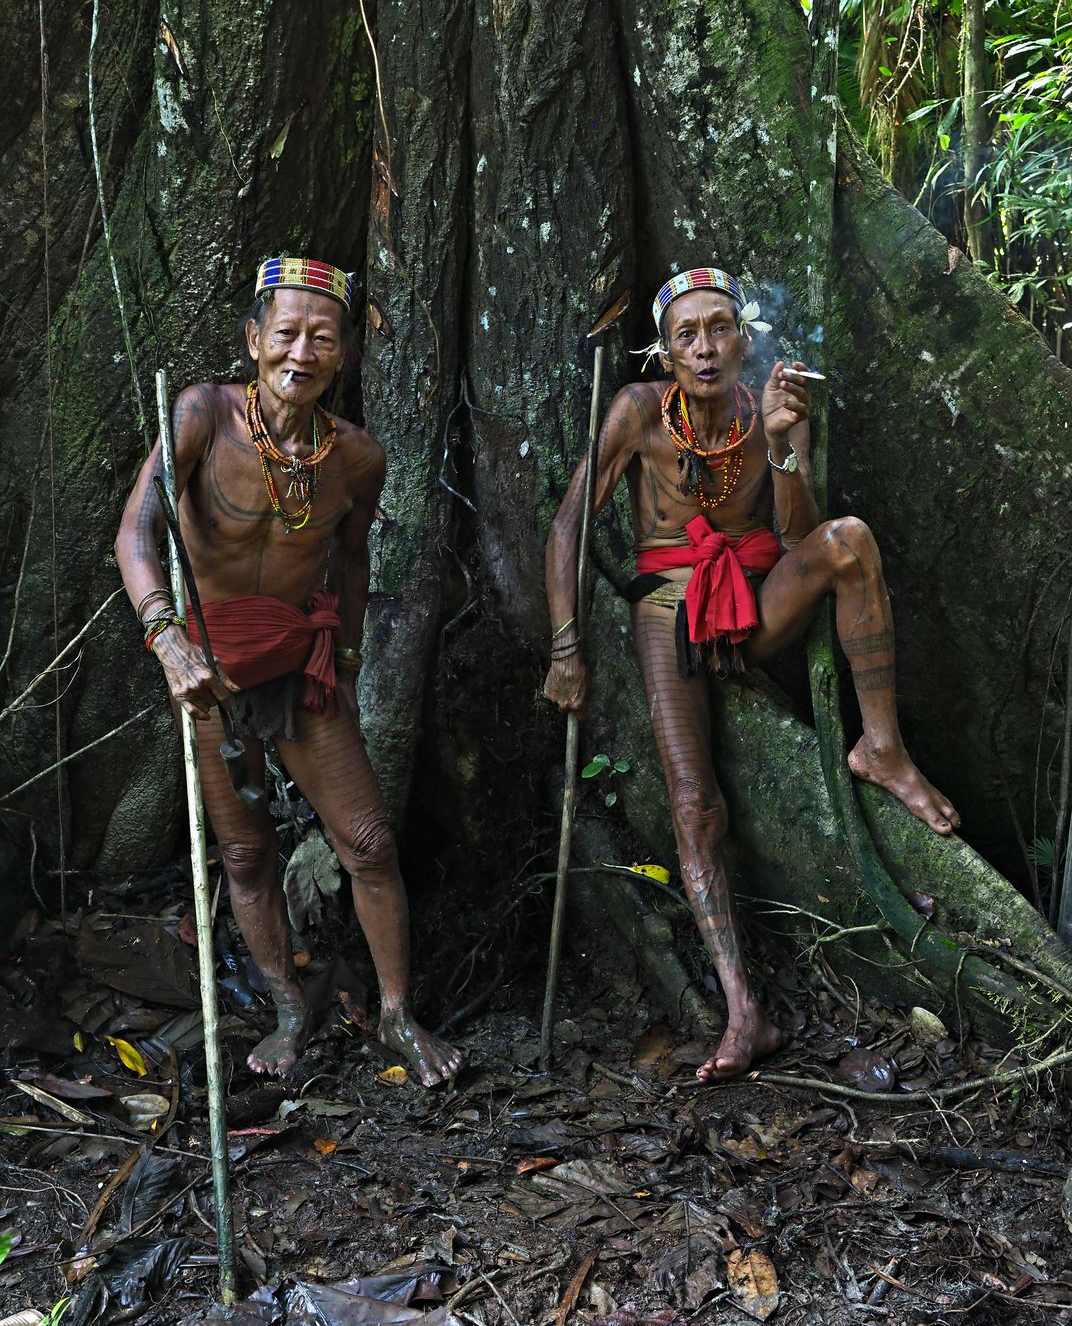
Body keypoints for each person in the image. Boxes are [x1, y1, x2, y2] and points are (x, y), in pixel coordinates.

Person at [543, 266, 959, 1081]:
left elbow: (798, 529)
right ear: (664, 348)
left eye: (720, 329)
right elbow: (566, 526)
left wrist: (778, 442)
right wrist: (565, 649)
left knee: (848, 539)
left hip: (753, 593)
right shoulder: (635, 409)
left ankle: (881, 747)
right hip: (667, 604)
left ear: (744, 336)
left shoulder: (769, 404)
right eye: (688, 334)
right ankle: (744, 1011)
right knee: (696, 803)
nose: (705, 348)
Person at [115, 256, 462, 1085]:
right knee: (244, 853)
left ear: (342, 354)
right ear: (254, 341)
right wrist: (167, 640)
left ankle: (395, 1014)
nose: (301, 352)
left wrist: (343, 658)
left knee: (370, 842)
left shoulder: (357, 459)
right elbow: (135, 532)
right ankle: (285, 1008)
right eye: (286, 333)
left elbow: (350, 560)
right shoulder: (202, 413)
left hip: (302, 666)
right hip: (208, 670)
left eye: (321, 337)